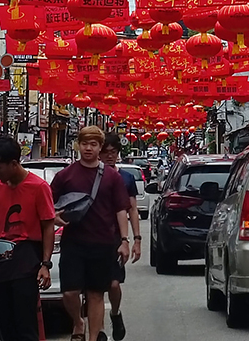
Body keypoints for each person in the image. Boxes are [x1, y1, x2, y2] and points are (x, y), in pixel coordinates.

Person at [51, 126, 131, 341]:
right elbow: (48, 205)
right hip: (73, 243)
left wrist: (125, 240)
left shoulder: (111, 177)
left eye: (93, 144)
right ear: (78, 145)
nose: (88, 148)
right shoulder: (64, 176)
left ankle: (94, 336)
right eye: (85, 144)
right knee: (69, 292)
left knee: (96, 293)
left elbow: (120, 209)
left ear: (99, 147)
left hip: (103, 243)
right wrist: (55, 216)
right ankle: (78, 321)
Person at [0, 136, 55, 341]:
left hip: (27, 256)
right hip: (2, 259)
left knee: (25, 323)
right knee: (4, 322)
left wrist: (45, 264)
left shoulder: (38, 187)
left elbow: (48, 226)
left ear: (14, 163)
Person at [100, 133, 142, 341]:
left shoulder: (126, 178)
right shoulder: (92, 177)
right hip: (93, 236)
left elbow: (132, 209)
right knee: (94, 288)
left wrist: (136, 240)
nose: (109, 157)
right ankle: (97, 330)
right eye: (105, 153)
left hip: (117, 237)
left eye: (113, 152)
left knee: (114, 284)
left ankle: (115, 314)